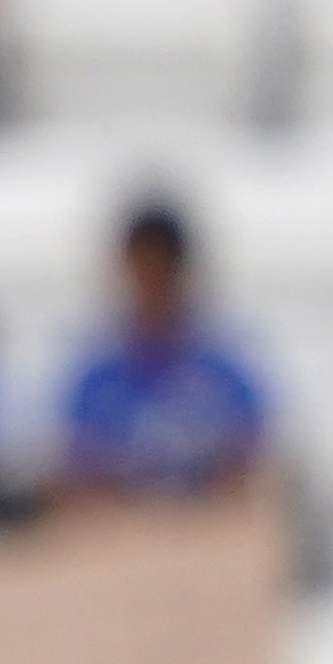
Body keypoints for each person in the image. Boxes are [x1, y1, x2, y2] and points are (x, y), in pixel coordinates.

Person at [55, 199, 268, 499]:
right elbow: (77, 471)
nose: (149, 287)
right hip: (118, 533)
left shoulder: (226, 375)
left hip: (209, 530)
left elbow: (252, 467)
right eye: (141, 272)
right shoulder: (95, 378)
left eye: (160, 272)